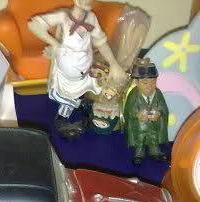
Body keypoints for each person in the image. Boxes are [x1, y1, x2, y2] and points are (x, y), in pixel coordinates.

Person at [28, 0, 128, 138]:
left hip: (84, 73)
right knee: (67, 100)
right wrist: (55, 44)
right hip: (66, 77)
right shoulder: (63, 16)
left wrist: (113, 64)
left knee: (92, 91)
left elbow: (100, 42)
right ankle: (62, 120)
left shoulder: (91, 18)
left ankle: (84, 110)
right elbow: (34, 24)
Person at [123, 60, 169, 165]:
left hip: (154, 125)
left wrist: (159, 113)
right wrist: (137, 114)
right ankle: (139, 153)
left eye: (153, 82)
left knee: (154, 137)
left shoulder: (158, 93)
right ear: (137, 82)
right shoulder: (133, 95)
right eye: (145, 83)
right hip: (140, 127)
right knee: (140, 139)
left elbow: (163, 107)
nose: (149, 86)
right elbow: (129, 110)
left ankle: (155, 151)